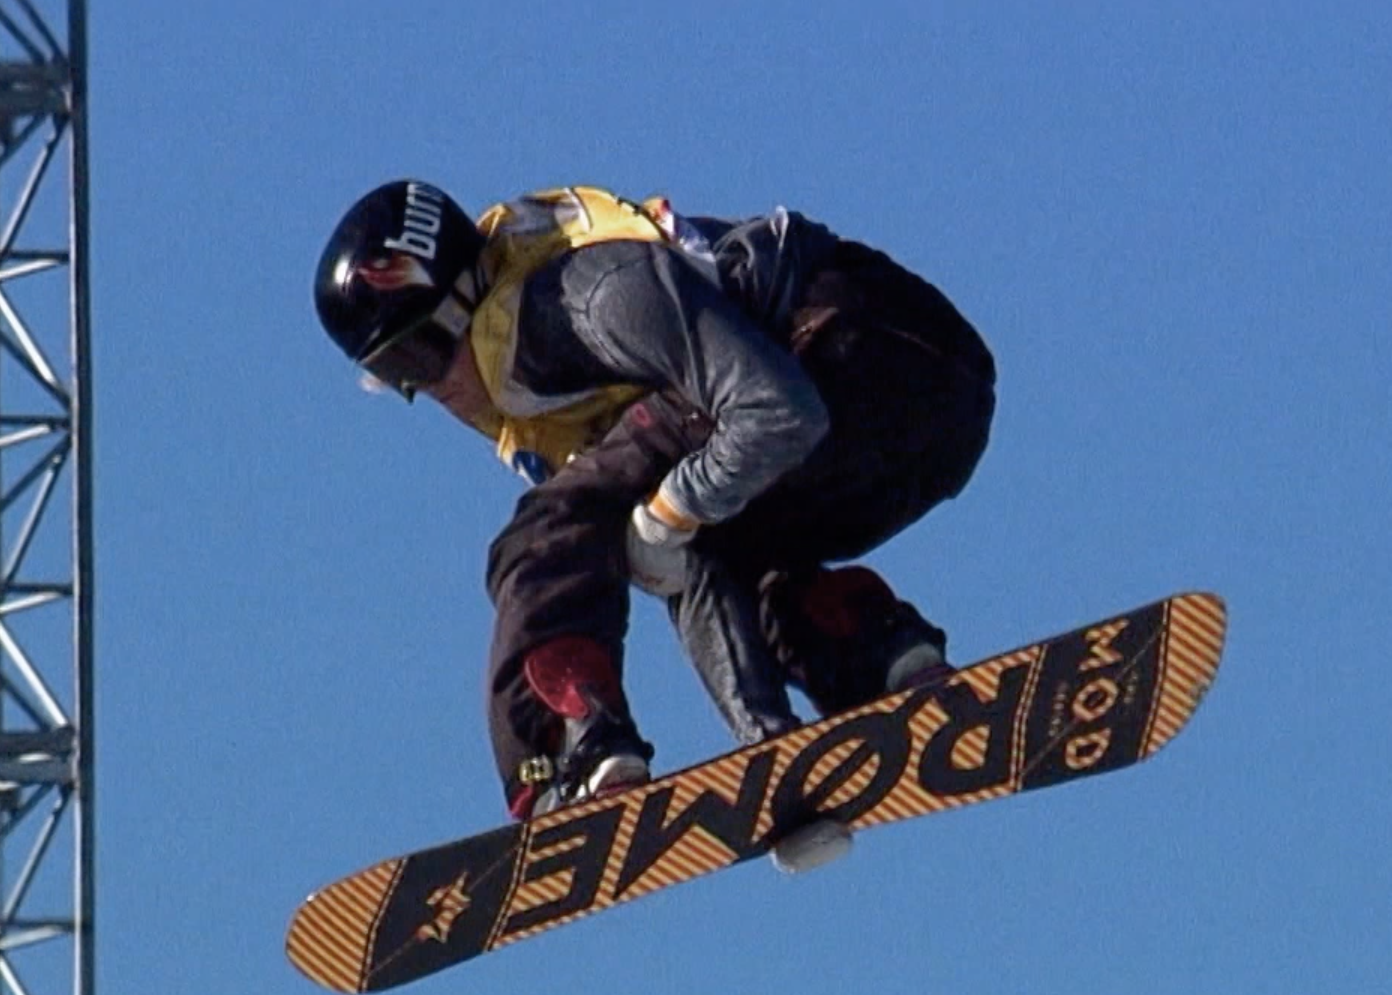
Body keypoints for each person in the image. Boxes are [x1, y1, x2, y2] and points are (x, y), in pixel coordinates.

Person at [312, 180, 996, 829]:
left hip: (866, 342)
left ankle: (567, 749)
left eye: (424, 354)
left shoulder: (575, 298)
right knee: (712, 538)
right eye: (395, 378)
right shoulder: (550, 407)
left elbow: (779, 411)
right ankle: (878, 657)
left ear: (469, 297)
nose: (428, 389)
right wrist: (775, 758)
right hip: (919, 428)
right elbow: (700, 565)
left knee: (548, 536)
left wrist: (671, 509)